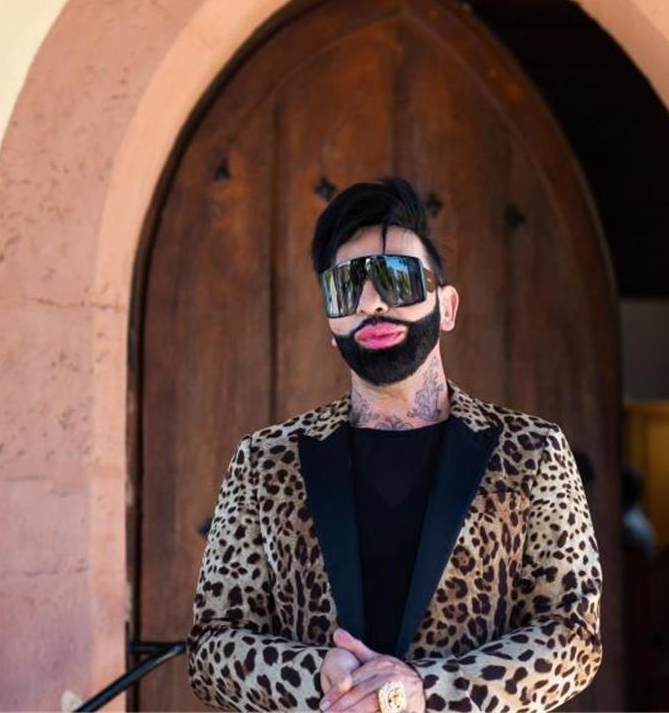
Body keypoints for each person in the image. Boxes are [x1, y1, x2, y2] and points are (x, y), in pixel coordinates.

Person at [187, 176, 603, 712]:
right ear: (329, 322)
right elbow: (211, 647)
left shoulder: (531, 452)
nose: (372, 302)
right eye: (346, 287)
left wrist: (423, 692)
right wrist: (317, 676)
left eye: (397, 278)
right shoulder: (265, 460)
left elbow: (573, 636)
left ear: (446, 307)